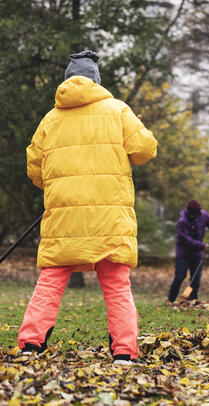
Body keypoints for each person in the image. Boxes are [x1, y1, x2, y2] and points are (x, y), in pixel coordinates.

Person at [18, 50, 158, 365]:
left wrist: (61, 185)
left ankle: (29, 345)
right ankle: (124, 352)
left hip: (63, 218)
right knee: (117, 287)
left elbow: (35, 170)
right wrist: (138, 127)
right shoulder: (119, 111)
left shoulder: (50, 120)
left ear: (68, 80)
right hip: (110, 219)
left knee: (50, 282)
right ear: (96, 81)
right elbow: (145, 150)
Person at [167, 200, 209, 303]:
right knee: (180, 277)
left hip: (197, 253)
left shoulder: (202, 215)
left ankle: (193, 300)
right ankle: (171, 299)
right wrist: (202, 245)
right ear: (189, 212)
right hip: (183, 253)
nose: (194, 217)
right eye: (192, 215)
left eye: (196, 215)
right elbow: (185, 240)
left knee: (196, 279)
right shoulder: (183, 221)